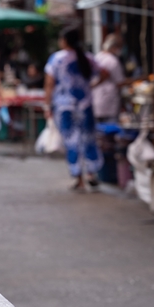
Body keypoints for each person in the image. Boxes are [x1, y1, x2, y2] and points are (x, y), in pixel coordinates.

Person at [44, 27, 109, 191]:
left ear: (64, 41)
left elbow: (49, 83)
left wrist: (47, 104)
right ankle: (91, 174)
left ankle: (78, 177)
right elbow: (104, 73)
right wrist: (91, 86)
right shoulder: (87, 57)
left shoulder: (57, 59)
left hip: (65, 106)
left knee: (71, 140)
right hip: (85, 105)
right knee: (88, 138)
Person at [92, 34, 125, 122]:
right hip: (109, 104)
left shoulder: (97, 57)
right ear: (114, 47)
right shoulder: (113, 61)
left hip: (95, 102)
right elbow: (120, 82)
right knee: (110, 130)